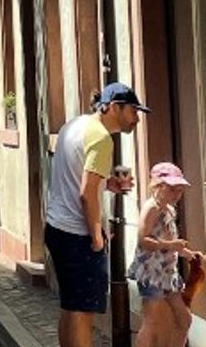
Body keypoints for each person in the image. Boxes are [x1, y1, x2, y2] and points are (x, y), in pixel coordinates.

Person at [44, 82, 146, 347]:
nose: (137, 118)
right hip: (77, 234)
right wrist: (97, 237)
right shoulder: (101, 138)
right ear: (114, 107)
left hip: (57, 227)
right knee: (82, 313)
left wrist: (107, 183)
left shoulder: (75, 125)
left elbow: (75, 176)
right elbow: (86, 194)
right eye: (133, 111)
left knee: (70, 307)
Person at [129, 163, 197, 347]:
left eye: (180, 190)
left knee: (184, 319)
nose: (177, 195)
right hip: (152, 272)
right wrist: (171, 245)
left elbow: (169, 240)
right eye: (173, 189)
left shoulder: (168, 209)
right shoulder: (151, 207)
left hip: (167, 273)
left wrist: (186, 252)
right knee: (151, 323)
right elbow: (144, 240)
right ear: (158, 186)